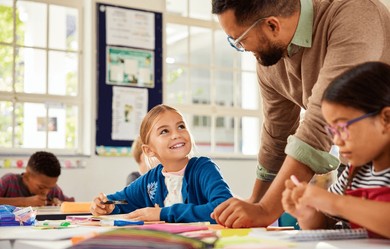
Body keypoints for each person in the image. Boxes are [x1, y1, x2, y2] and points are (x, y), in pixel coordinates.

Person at [211, 0, 390, 228]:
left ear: (272, 25)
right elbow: (276, 135)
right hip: (357, 168)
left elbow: (318, 123)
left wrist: (266, 209)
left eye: (239, 40)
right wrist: (256, 202)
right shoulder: (269, 55)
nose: (242, 48)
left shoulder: (356, 13)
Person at [282, 61, 390, 238]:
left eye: (343, 127)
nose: (336, 140)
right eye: (332, 131)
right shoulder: (354, 173)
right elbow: (327, 224)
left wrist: (335, 203)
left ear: (386, 118)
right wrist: (307, 213)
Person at [91, 104, 233, 223]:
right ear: (149, 150)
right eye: (164, 131)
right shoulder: (149, 180)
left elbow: (225, 208)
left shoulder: (203, 168)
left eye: (181, 126)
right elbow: (122, 201)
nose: (176, 134)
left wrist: (161, 214)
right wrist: (107, 206)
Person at [0, 151, 75, 207]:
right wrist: (25, 202)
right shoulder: (9, 181)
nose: (46, 192)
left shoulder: (52, 189)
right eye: (41, 187)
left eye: (50, 188)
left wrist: (60, 203)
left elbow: (72, 204)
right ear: (27, 175)